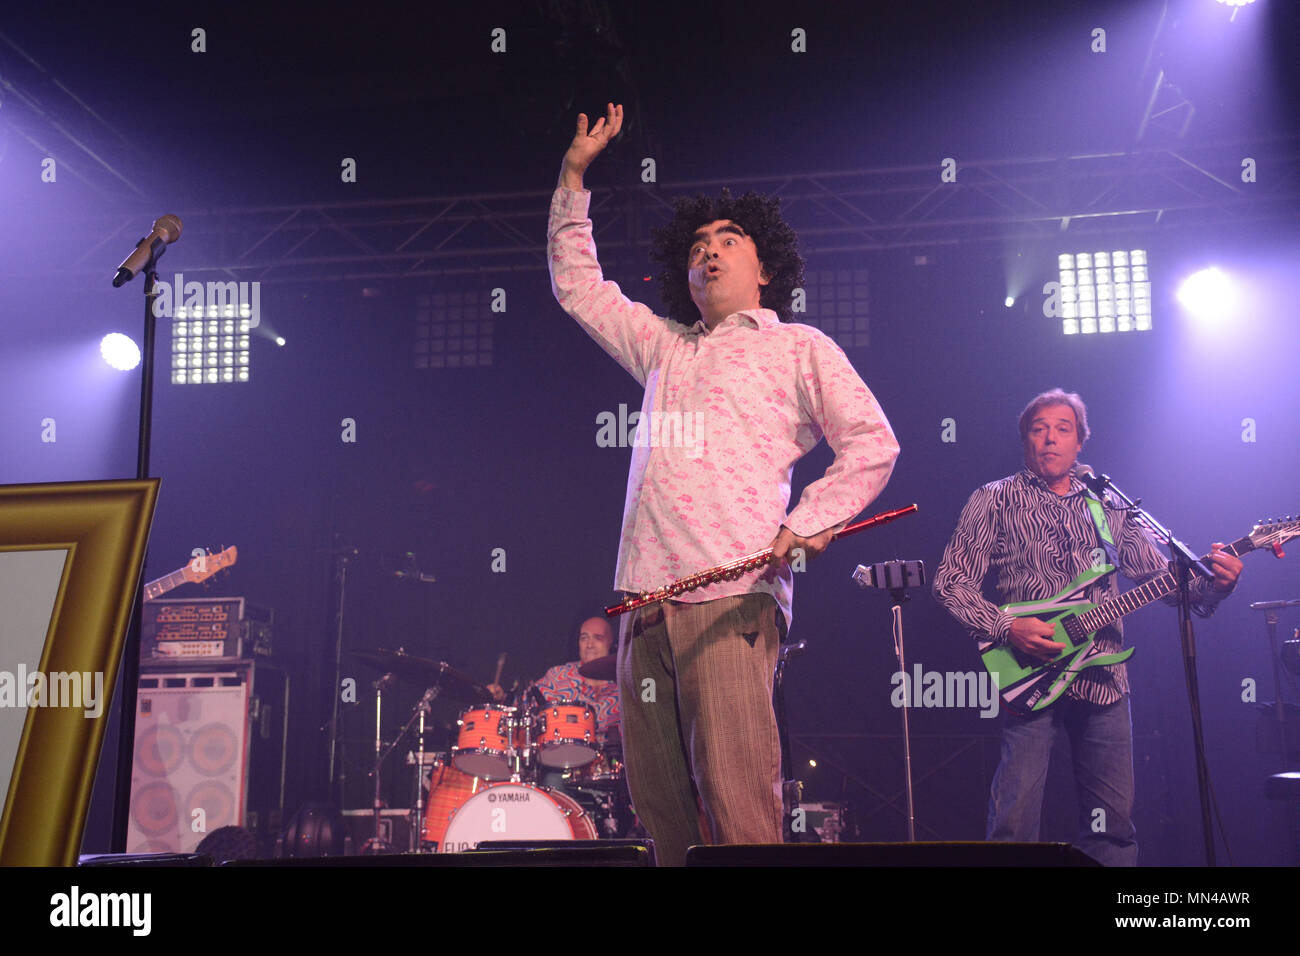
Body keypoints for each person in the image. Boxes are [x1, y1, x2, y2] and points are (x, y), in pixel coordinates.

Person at [547, 103, 900, 865]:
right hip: (644, 607)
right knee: (663, 821)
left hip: (733, 601)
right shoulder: (664, 347)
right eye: (697, 245)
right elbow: (580, 288)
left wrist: (811, 519)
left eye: (728, 241)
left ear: (764, 265)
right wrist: (575, 177)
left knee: (740, 814)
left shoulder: (798, 346)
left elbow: (872, 443)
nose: (709, 253)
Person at [932, 388, 1242, 865]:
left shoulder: (1109, 504)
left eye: (1062, 429)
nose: (1050, 439)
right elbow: (950, 582)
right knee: (1014, 822)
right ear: (1025, 441)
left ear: (1081, 442)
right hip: (1029, 676)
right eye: (1039, 429)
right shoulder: (993, 499)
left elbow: (1169, 584)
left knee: (1112, 829)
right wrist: (1004, 625)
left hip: (1104, 681)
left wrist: (1216, 584)